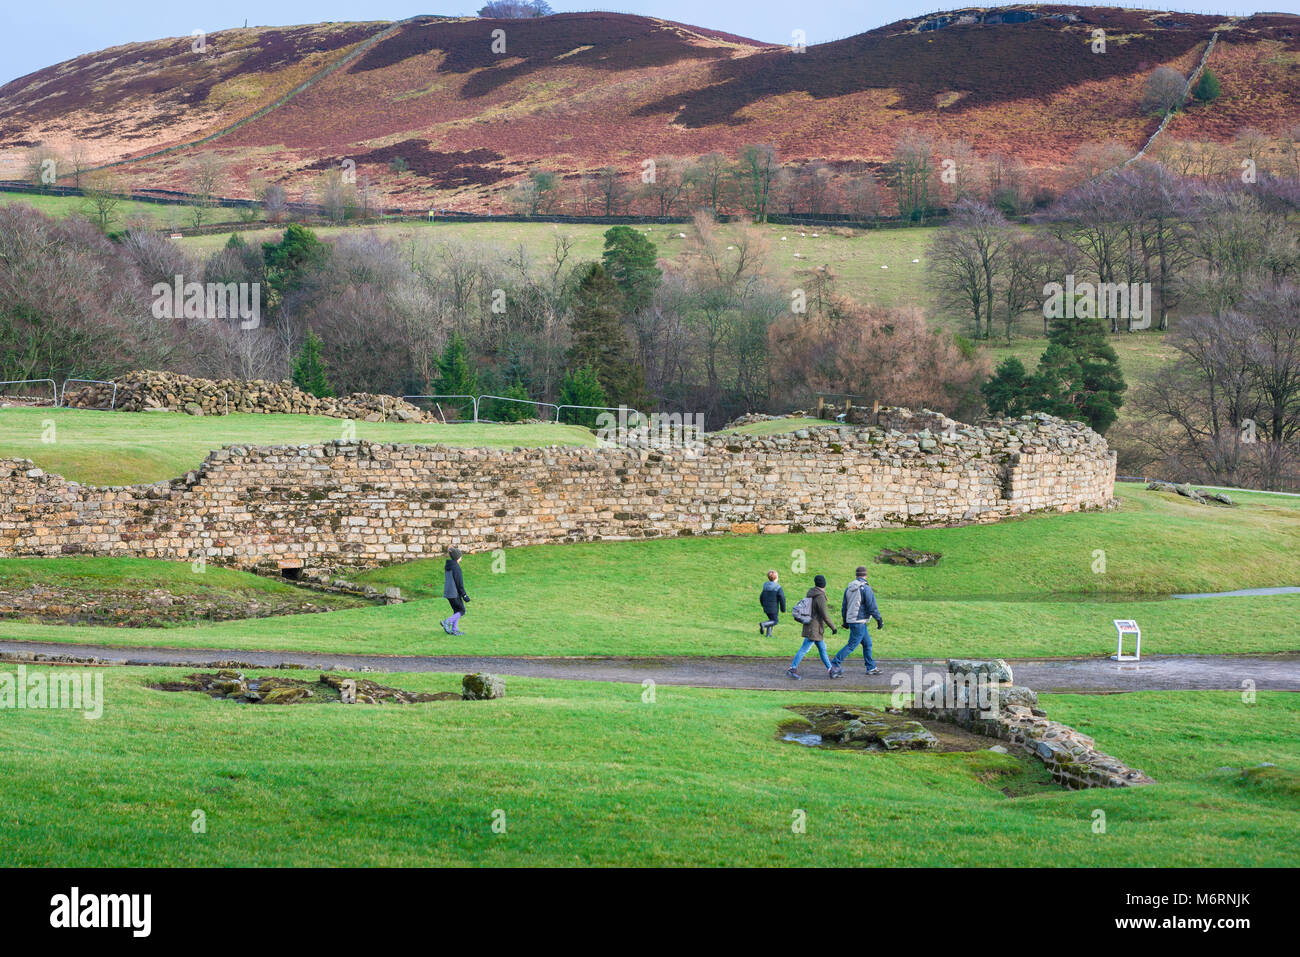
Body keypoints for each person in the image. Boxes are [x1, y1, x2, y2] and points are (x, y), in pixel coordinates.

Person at [829, 566, 883, 677]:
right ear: (865, 575)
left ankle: (871, 667)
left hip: (853, 620)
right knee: (851, 645)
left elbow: (844, 606)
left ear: (856, 575)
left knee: (867, 643)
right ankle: (834, 664)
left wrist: (845, 621)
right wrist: (879, 619)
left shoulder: (848, 588)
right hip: (860, 621)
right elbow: (871, 606)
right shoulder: (866, 588)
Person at [787, 574, 839, 680]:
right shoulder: (820, 596)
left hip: (812, 626)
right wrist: (833, 627)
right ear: (824, 584)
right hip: (814, 628)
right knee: (804, 649)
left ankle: (830, 669)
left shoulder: (812, 593)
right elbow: (825, 615)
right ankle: (792, 669)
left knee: (822, 648)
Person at [440, 546, 470, 635]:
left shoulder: (449, 565)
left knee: (457, 610)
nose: (461, 558)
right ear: (458, 557)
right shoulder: (456, 567)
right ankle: (447, 622)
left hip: (448, 593)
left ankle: (454, 629)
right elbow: (459, 582)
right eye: (460, 556)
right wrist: (464, 595)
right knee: (462, 611)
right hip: (454, 593)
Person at [758, 569, 785, 637]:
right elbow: (782, 598)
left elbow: (761, 596)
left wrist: (763, 604)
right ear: (776, 578)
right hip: (773, 608)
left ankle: (768, 634)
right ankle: (763, 624)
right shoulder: (778, 587)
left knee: (771, 620)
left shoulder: (765, 586)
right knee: (775, 621)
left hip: (766, 607)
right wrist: (783, 609)